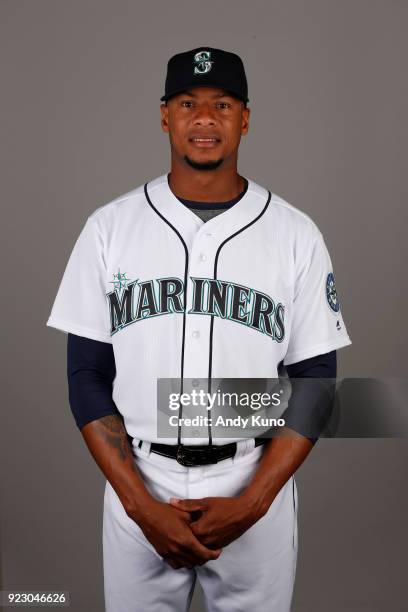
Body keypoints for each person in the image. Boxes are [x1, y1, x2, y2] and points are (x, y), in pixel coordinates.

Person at [46, 47, 352, 611]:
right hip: (141, 481)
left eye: (222, 104)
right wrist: (141, 507)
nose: (205, 118)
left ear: (246, 118)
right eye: (189, 103)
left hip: (251, 479)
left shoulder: (293, 233)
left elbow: (316, 379)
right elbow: (86, 375)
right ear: (165, 115)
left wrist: (254, 503)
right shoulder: (109, 228)